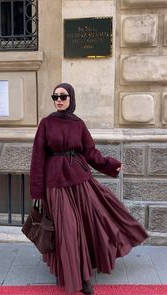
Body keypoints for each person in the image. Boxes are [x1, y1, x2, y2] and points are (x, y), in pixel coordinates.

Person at [29, 83, 148, 294]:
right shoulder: (46, 124)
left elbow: (91, 153)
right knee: (68, 229)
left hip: (81, 181)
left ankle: (80, 271)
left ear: (71, 98)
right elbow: (38, 158)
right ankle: (79, 277)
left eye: (63, 96)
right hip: (56, 184)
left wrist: (111, 164)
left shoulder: (78, 124)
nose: (58, 99)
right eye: (55, 96)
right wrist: (36, 192)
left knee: (96, 220)